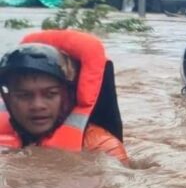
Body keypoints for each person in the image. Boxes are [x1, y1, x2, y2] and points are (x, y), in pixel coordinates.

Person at [0, 30, 128, 164]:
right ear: (7, 99)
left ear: (67, 96)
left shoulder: (102, 147)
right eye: (24, 96)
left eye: (51, 94)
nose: (37, 105)